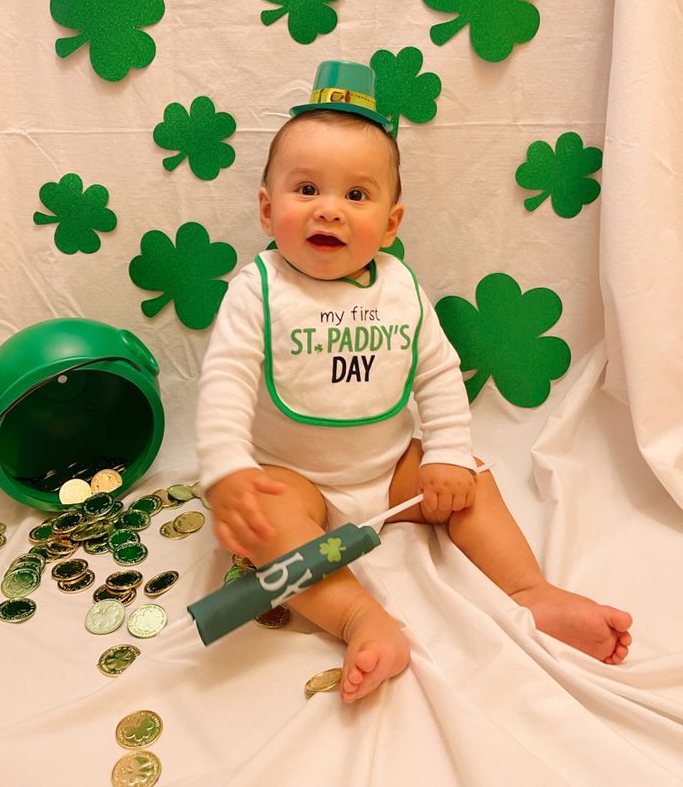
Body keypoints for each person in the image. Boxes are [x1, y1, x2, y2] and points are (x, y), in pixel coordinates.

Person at [196, 60, 633, 703]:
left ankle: (528, 592)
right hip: (293, 472)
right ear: (267, 209)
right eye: (307, 189)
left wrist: (448, 453)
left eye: (356, 195)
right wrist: (228, 467)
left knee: (474, 478)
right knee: (269, 526)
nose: (330, 211)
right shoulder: (256, 293)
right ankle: (360, 617)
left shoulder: (400, 288)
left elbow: (436, 370)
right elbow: (225, 381)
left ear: (392, 223)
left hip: (393, 466)